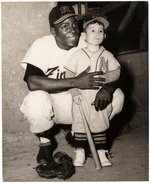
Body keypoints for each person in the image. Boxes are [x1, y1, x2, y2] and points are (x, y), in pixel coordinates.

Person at [20, 3, 124, 170]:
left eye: (75, 23)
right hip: (55, 106)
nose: (73, 29)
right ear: (54, 31)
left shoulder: (87, 41)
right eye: (65, 26)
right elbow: (32, 82)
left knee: (117, 96)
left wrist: (108, 87)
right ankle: (45, 142)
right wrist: (75, 81)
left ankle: (82, 136)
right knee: (35, 100)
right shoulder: (42, 45)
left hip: (83, 103)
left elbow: (114, 71)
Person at [64, 16, 123, 167]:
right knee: (80, 125)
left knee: (100, 124)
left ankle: (101, 153)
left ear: (104, 36)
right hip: (81, 96)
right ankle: (80, 153)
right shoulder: (77, 54)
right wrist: (74, 92)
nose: (97, 34)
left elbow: (116, 72)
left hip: (99, 97)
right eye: (92, 31)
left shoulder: (107, 54)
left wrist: (105, 78)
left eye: (100, 31)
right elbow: (69, 75)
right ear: (84, 36)